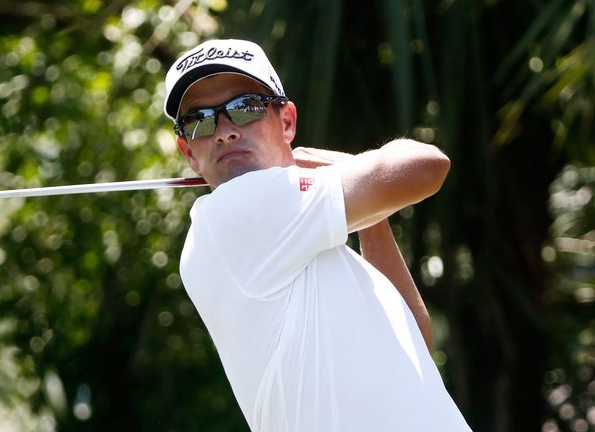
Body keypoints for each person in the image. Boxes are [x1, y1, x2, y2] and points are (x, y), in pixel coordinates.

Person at [163, 39, 471, 431]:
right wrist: (337, 165)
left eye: (244, 109)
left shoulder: (310, 244)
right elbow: (426, 165)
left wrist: (368, 216)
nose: (224, 132)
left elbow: (414, 349)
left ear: (286, 120)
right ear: (189, 152)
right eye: (200, 121)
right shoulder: (233, 212)